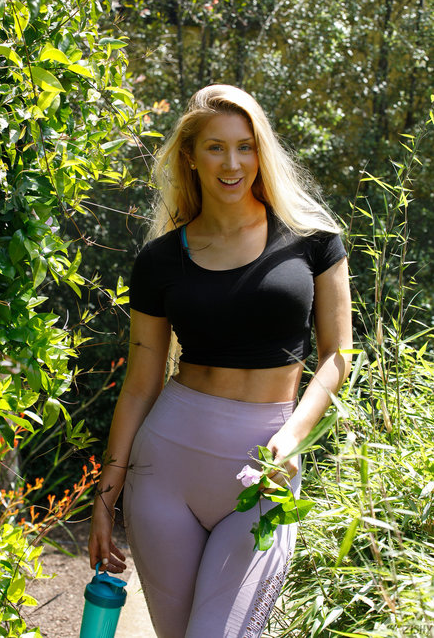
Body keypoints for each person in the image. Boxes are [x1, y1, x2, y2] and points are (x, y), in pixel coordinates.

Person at [88, 84, 353, 638]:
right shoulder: (161, 259)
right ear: (190, 155)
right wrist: (106, 496)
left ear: (261, 152)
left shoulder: (314, 240)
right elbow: (140, 385)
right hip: (166, 472)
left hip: (266, 470)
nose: (232, 163)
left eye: (245, 146)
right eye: (215, 147)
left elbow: (338, 357)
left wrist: (292, 439)